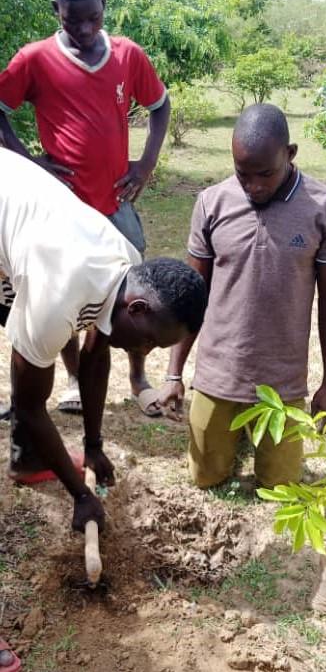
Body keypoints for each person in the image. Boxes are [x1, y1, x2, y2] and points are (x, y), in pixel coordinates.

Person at [0, 149, 207, 530]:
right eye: (150, 343)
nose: (143, 352)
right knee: (30, 367)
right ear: (138, 308)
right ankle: (29, 460)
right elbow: (28, 405)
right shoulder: (55, 300)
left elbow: (95, 358)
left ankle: (30, 459)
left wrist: (93, 446)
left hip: (18, 217)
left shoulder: (125, 261)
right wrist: (80, 494)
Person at [0, 0, 170, 417]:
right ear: (56, 9)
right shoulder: (33, 59)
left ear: (104, 6)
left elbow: (160, 105)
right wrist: (26, 161)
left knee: (136, 296)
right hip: (61, 214)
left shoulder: (127, 55)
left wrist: (146, 164)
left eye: (92, 17)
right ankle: (76, 379)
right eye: (71, 19)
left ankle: (137, 377)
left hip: (115, 206)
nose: (83, 28)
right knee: (61, 298)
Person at [158, 104, 326, 490]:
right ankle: (231, 432)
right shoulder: (212, 202)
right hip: (219, 373)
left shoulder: (325, 209)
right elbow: (192, 294)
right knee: (205, 478)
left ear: (290, 154)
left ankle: (251, 437)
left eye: (266, 174)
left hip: (283, 383)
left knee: (279, 487)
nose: (254, 186)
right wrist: (174, 373)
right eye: (243, 174)